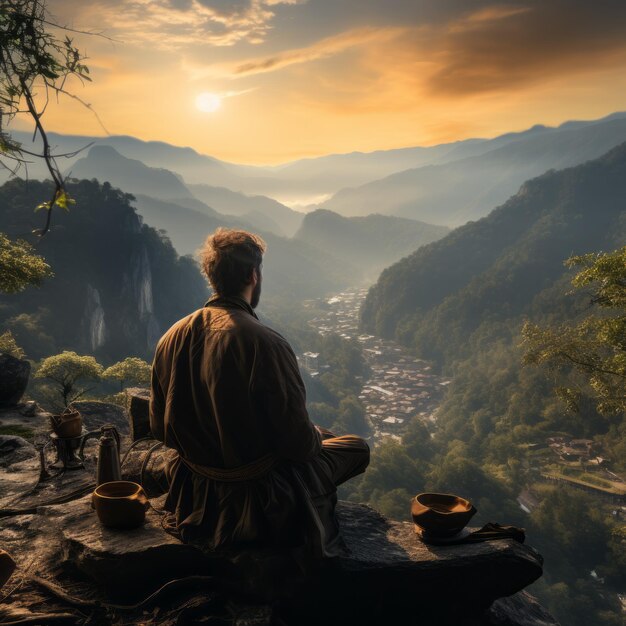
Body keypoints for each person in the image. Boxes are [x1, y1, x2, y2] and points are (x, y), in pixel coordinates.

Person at [149, 228, 369, 557]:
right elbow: (297, 444)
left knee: (322, 439)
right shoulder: (264, 343)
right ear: (254, 274)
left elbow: (158, 427)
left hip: (193, 487)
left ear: (211, 275)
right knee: (355, 447)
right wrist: (315, 436)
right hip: (257, 495)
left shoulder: (172, 336)